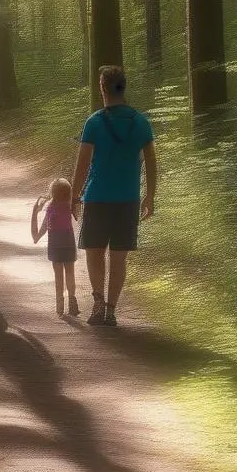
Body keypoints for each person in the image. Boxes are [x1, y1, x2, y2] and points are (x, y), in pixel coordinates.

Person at [70, 64, 156, 327]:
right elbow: (151, 162)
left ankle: (97, 303)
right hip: (128, 198)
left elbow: (82, 163)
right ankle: (110, 310)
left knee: (94, 252)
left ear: (102, 88)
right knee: (119, 257)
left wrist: (74, 197)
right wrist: (149, 195)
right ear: (124, 87)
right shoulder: (140, 122)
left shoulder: (94, 122)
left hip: (97, 197)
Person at [31, 178, 80, 318]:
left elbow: (41, 231)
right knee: (70, 273)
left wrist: (35, 211)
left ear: (53, 193)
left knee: (58, 275)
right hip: (68, 243)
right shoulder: (69, 206)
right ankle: (72, 301)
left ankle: (60, 304)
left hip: (55, 245)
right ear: (68, 193)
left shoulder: (50, 208)